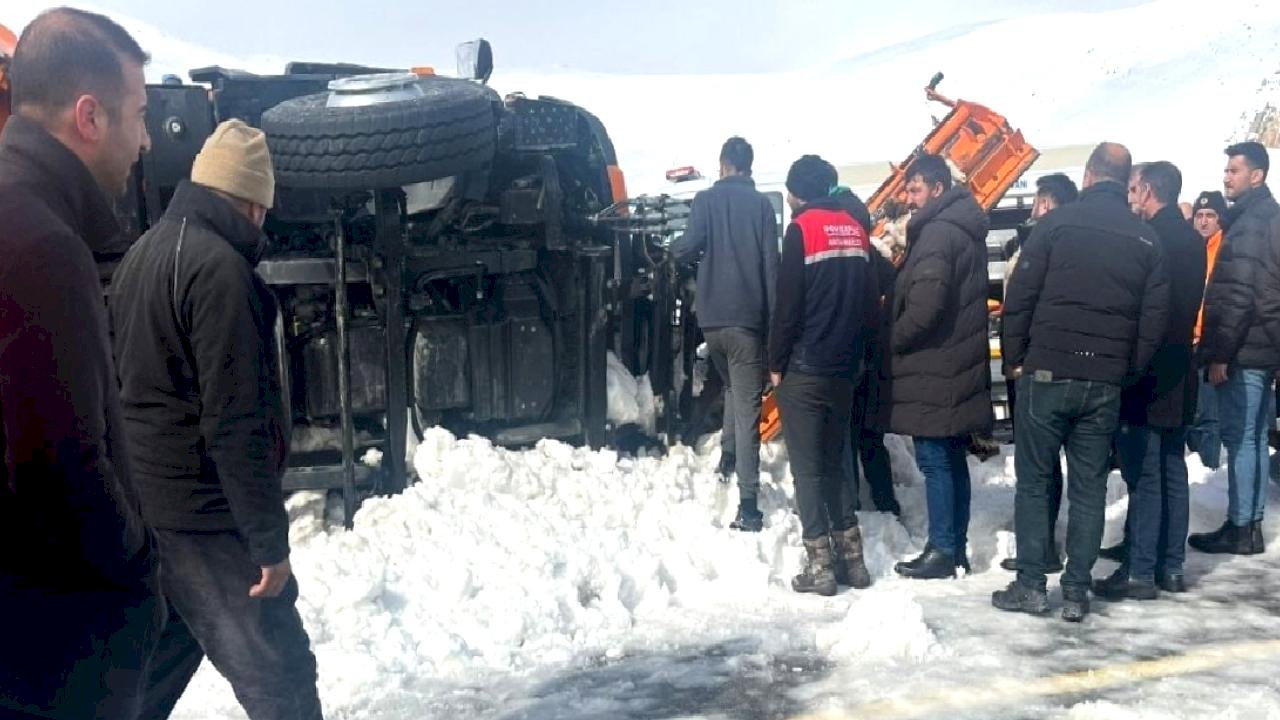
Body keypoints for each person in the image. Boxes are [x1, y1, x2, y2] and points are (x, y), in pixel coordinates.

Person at [110, 120, 323, 719]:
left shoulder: (143, 255)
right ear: (254, 202)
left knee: (152, 674)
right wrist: (266, 543)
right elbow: (236, 422)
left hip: (152, 511)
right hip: (203, 518)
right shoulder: (221, 272)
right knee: (280, 674)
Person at [0, 10, 162, 718]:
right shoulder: (38, 243)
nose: (147, 140)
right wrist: (135, 572)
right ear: (89, 117)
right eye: (139, 114)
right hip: (56, 654)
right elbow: (61, 462)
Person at [993, 142, 1169, 622]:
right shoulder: (1146, 239)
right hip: (1104, 380)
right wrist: (1123, 369)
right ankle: (1075, 591)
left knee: (1034, 482)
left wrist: (1016, 358)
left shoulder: (1053, 227)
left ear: (1089, 176)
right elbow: (1152, 322)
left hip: (1047, 372)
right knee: (1089, 486)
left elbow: (1020, 300)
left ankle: (1031, 584)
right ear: (1125, 180)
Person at [1093, 162, 1205, 600]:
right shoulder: (1194, 241)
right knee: (1173, 468)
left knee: (1145, 473)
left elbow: (1143, 311)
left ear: (1148, 191)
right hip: (1182, 366)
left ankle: (1139, 570)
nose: (1131, 196)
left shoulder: (1149, 239)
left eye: (1135, 189)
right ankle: (1171, 566)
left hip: (1150, 370)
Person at [770, 155, 877, 595]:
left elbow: (788, 306)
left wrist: (775, 363)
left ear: (797, 192)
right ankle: (854, 562)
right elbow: (869, 301)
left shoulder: (801, 229)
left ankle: (820, 567)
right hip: (844, 369)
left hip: (806, 368)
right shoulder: (855, 227)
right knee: (835, 462)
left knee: (808, 470)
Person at [884, 153, 993, 580]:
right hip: (955, 360)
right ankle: (954, 546)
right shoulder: (961, 228)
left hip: (934, 365)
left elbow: (925, 307)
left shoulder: (936, 234)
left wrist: (891, 339)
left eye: (915, 190)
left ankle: (944, 549)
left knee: (935, 460)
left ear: (937, 189)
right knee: (949, 458)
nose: (909, 199)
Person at [672, 136, 779, 532]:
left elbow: (687, 248)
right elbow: (771, 267)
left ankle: (727, 460)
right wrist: (773, 328)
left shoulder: (704, 202)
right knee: (750, 406)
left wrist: (668, 256)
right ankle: (748, 506)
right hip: (748, 322)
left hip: (712, 321)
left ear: (722, 165)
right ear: (749, 166)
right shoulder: (763, 207)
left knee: (734, 388)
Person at [1190, 142, 1280, 555]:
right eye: (1226, 170)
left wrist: (1221, 353)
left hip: (1243, 349)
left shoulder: (1250, 223)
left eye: (1234, 170)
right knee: (1256, 438)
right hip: (1262, 346)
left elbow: (1241, 294)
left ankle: (1242, 526)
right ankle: (1251, 525)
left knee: (1243, 438)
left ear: (1256, 175)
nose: (1227, 177)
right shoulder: (1264, 216)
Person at [1000, 173, 1077, 574]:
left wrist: (1014, 359)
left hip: (1034, 366)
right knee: (1045, 463)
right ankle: (1044, 542)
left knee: (1038, 464)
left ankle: (1039, 548)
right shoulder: (1061, 244)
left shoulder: (1045, 245)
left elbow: (1024, 306)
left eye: (1039, 201)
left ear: (1049, 204)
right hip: (1044, 362)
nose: (1033, 209)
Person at [833, 185, 901, 517]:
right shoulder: (874, 258)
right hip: (873, 356)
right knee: (871, 437)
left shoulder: (837, 257)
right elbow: (894, 293)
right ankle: (887, 502)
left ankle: (850, 503)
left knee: (844, 433)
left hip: (843, 357)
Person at [1185, 190, 1228, 470]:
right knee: (1193, 412)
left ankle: (1209, 472)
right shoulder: (1193, 249)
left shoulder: (1225, 250)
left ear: (1220, 219)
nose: (1203, 221)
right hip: (1190, 339)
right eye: (1199, 216)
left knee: (1208, 414)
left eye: (1210, 215)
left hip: (1211, 343)